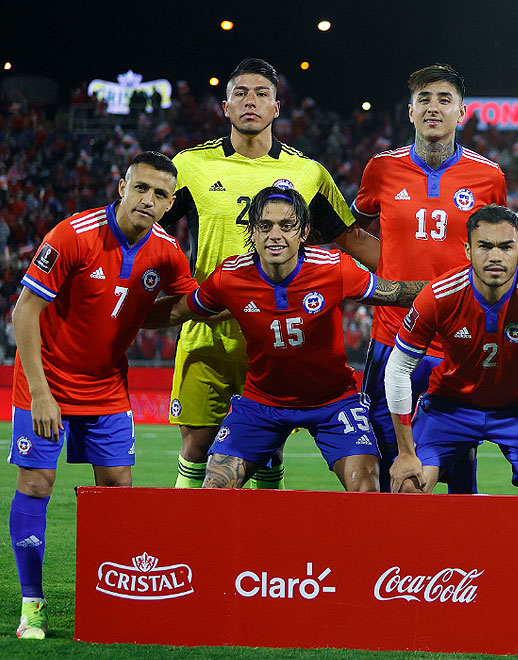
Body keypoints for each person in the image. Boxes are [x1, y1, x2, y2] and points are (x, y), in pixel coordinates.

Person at [162, 57, 379, 490]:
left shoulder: (307, 173)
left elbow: (350, 237)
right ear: (225, 106)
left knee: (267, 446)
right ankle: (193, 547)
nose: (250, 101)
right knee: (197, 445)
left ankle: (264, 552)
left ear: (277, 108)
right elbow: (153, 237)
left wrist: (438, 275)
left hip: (278, 333)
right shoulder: (189, 166)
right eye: (240, 93)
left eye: (262, 94)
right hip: (210, 330)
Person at [8, 152, 197, 639]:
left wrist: (243, 298)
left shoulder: (167, 252)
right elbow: (24, 313)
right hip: (46, 380)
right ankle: (33, 604)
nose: (148, 200)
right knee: (36, 485)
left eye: (160, 195)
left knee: (117, 487)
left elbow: (185, 304)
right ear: (121, 187)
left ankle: (112, 598)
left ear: (170, 202)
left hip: (107, 387)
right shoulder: (72, 235)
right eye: (141, 189)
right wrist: (42, 395)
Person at [169, 187, 424, 491]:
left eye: (286, 226)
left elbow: (397, 293)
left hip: (333, 402)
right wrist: (127, 315)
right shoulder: (230, 276)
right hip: (262, 402)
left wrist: (463, 287)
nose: (275, 235)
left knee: (366, 490)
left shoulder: (333, 268)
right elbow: (184, 309)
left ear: (303, 231)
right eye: (265, 226)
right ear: (252, 230)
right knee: (214, 488)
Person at [354, 63, 507, 494]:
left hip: (458, 343)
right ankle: (390, 559)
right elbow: (355, 232)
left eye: (444, 100)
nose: (433, 108)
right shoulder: (381, 170)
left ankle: (465, 559)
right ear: (410, 111)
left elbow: (494, 250)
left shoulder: (489, 176)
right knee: (390, 462)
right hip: (390, 337)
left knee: (460, 467)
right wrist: (390, 279)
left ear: (462, 112)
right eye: (424, 99)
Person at [385, 205, 518, 495]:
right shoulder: (438, 296)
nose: (495, 256)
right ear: (468, 250)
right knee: (407, 486)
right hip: (450, 407)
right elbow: (397, 369)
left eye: (506, 247)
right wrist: (405, 453)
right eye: (485, 246)